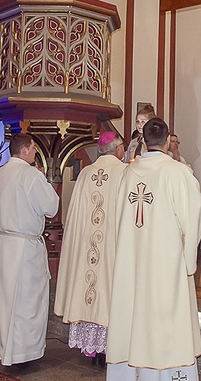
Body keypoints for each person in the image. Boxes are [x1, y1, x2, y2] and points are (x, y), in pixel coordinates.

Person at [106, 117, 201, 380]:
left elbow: (116, 219)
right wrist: (188, 257)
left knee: (132, 314)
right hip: (166, 262)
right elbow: (196, 214)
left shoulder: (126, 173)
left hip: (132, 262)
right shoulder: (177, 172)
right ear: (167, 139)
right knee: (166, 319)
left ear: (143, 141)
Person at [0, 133, 59, 367]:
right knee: (26, 302)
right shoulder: (30, 175)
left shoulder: (0, 173)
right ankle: (22, 356)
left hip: (4, 245)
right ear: (25, 150)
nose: (35, 152)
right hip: (24, 247)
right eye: (34, 148)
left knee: (6, 301)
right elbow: (51, 207)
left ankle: (6, 350)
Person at [54, 131, 127, 363]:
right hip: (113, 246)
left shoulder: (86, 173)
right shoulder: (125, 172)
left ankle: (92, 349)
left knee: (89, 289)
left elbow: (75, 217)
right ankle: (109, 348)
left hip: (87, 246)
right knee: (109, 292)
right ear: (118, 149)